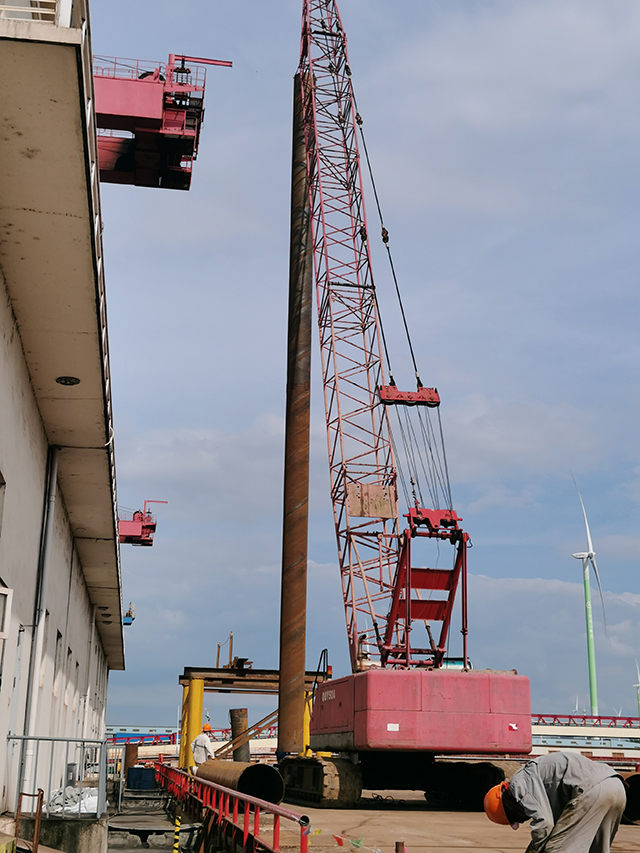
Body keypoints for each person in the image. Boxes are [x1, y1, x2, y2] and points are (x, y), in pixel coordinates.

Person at [484, 751, 626, 853]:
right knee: (596, 849)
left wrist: (534, 849)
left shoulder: (519, 783)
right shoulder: (539, 784)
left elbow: (545, 824)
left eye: (516, 818)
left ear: (508, 805)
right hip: (615, 785)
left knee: (555, 848)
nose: (523, 819)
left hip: (592, 789)